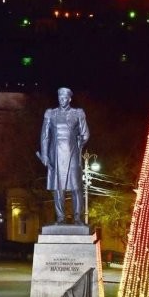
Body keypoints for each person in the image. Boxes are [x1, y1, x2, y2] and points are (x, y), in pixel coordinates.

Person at [38, 87, 90, 224]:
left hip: (72, 154)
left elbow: (85, 133)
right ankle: (60, 217)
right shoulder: (51, 114)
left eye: (64, 98)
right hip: (56, 155)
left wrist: (80, 141)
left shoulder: (77, 113)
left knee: (76, 186)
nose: (61, 100)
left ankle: (77, 217)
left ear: (69, 99)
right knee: (58, 188)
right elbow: (45, 135)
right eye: (60, 98)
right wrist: (45, 154)